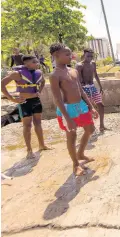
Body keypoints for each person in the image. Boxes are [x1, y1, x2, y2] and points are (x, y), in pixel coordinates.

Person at [49, 43, 98, 176]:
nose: (71, 56)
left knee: (90, 129)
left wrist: (91, 107)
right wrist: (67, 118)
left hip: (81, 105)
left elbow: (80, 90)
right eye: (67, 54)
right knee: (72, 135)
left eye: (70, 54)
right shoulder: (54, 75)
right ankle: (75, 164)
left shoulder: (73, 71)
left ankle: (81, 153)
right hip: (67, 109)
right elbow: (57, 99)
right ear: (56, 56)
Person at [1, 55, 50, 159]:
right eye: (34, 62)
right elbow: (2, 84)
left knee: (38, 123)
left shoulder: (39, 73)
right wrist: (12, 99)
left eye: (37, 61)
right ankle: (29, 150)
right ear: (27, 64)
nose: (37, 64)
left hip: (36, 101)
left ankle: (42, 145)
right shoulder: (17, 74)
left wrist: (39, 91)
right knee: (27, 126)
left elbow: (43, 82)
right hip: (24, 103)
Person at [76, 48, 107, 132]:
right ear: (84, 55)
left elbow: (95, 75)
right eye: (88, 56)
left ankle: (101, 125)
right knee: (88, 108)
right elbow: (78, 80)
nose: (90, 57)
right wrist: (81, 92)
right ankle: (91, 126)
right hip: (84, 88)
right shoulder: (79, 65)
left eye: (91, 56)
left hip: (92, 87)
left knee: (101, 105)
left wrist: (100, 86)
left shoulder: (93, 63)